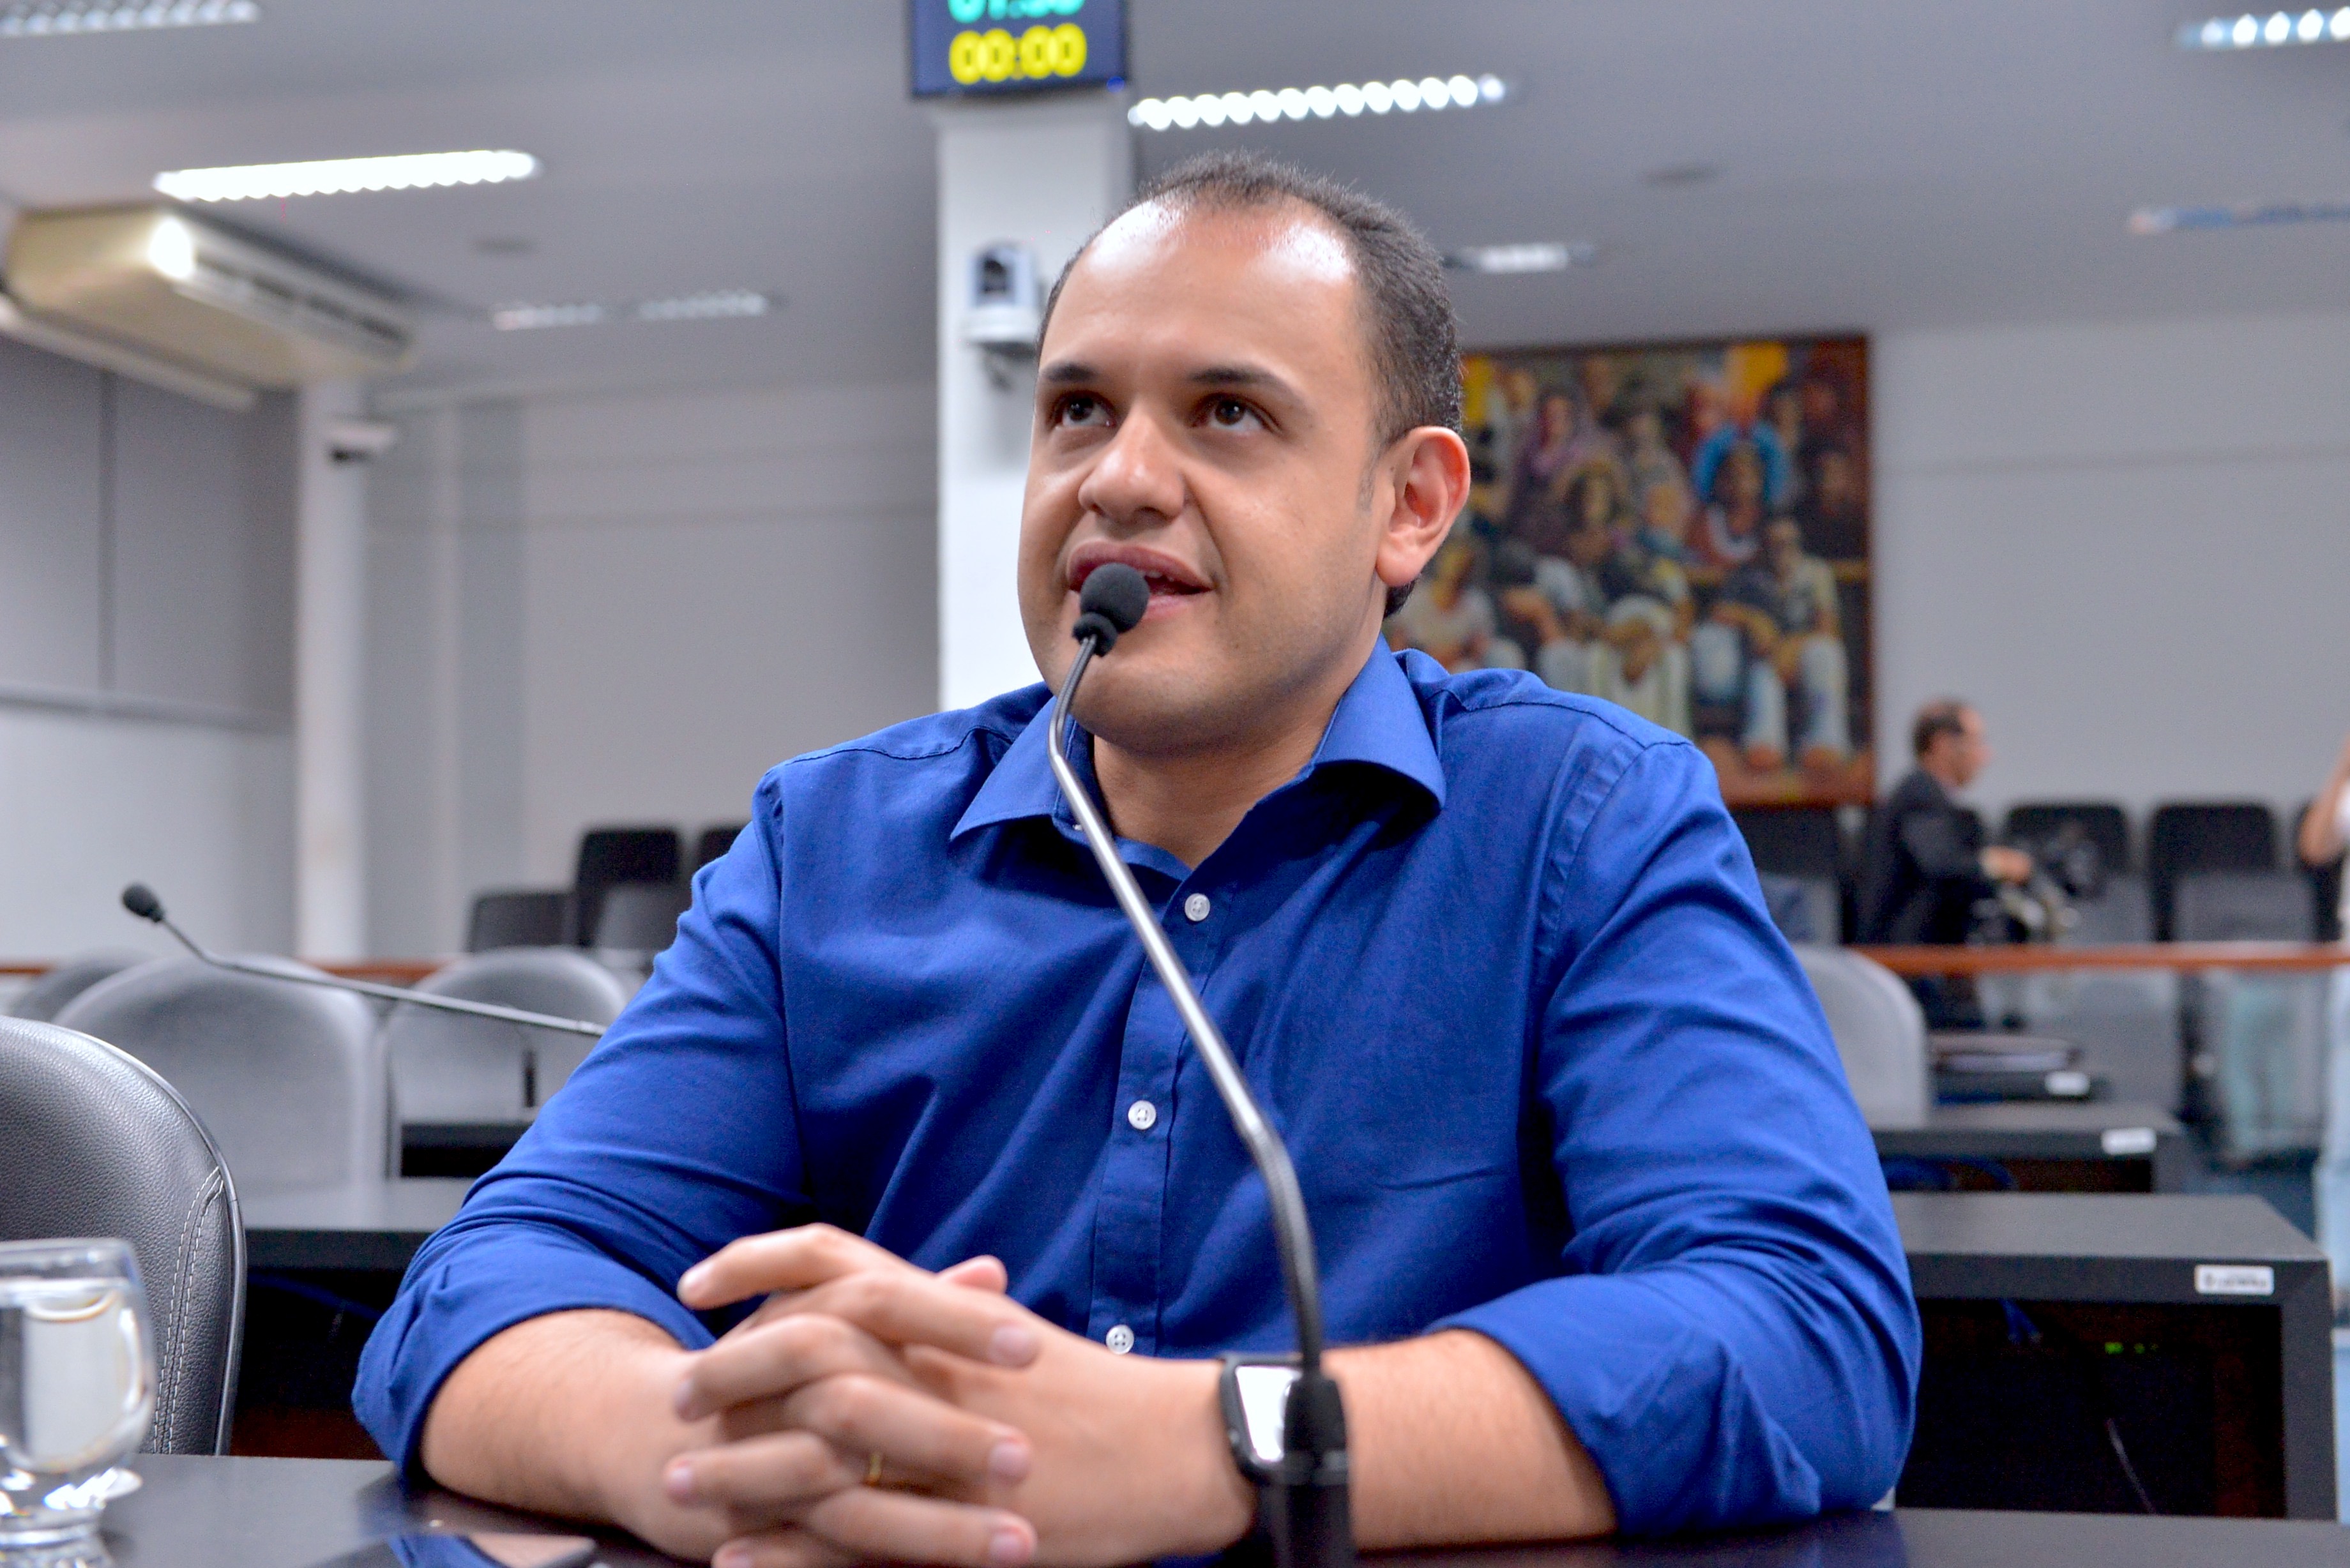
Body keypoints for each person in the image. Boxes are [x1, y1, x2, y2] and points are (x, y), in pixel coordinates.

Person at [356, 152, 1916, 1568]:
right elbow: (494, 1278)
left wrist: (1216, 1446)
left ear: (1408, 505)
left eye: (1227, 413)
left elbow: (1802, 1330)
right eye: (1077, 411)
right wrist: (710, 1455)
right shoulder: (827, 845)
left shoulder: (1582, 818)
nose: (1117, 477)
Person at [1857, 701, 2035, 1025]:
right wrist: (1998, 864)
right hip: (1912, 971)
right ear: (1942, 744)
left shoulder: (1924, 795)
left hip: (1919, 970)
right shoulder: (1920, 794)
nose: (1985, 755)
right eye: (1976, 742)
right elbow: (1941, 864)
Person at [1693, 516, 1850, 773]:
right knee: (1762, 667)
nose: (1783, 551)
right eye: (1775, 544)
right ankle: (1765, 744)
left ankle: (1826, 742)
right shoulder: (1749, 574)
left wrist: (1792, 647)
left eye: (1789, 543)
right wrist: (1752, 619)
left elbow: (1827, 629)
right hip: (1766, 656)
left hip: (1803, 654)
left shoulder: (1815, 572)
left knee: (1826, 653)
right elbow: (1719, 610)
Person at [2298, 737, 2350, 1308]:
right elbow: (2315, 846)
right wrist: (2343, 762)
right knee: (2344, 1136)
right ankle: (2338, 1268)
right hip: (2349, 968)